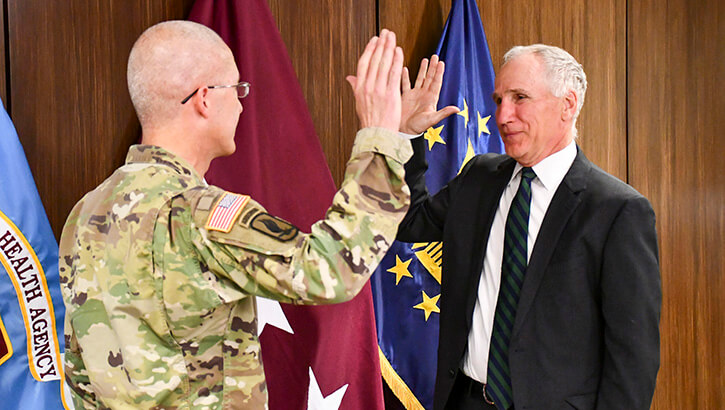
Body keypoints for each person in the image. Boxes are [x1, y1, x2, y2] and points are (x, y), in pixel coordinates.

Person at [58, 21, 413, 409]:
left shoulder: (85, 212)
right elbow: (330, 268)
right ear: (205, 99)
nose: (243, 103)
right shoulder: (200, 214)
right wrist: (381, 139)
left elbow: (79, 371)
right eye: (237, 89)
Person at [397, 45, 661, 409]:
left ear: (567, 105)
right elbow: (408, 221)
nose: (504, 115)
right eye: (499, 99)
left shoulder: (617, 210)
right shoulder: (480, 177)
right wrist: (407, 138)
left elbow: (633, 359)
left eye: (520, 97)